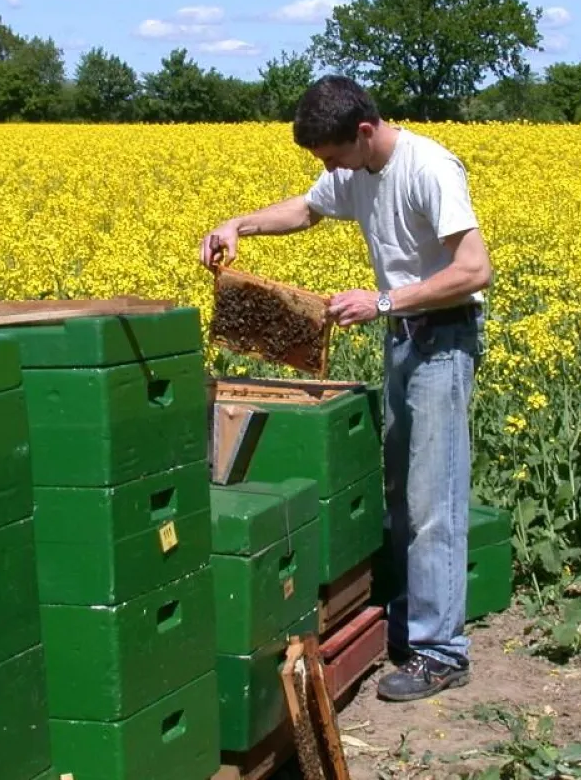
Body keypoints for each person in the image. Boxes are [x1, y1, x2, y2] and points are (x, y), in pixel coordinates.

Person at [198, 75, 492, 703]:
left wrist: (382, 300)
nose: (329, 169)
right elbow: (306, 209)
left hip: (443, 338)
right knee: (401, 493)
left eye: (332, 156)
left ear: (363, 131)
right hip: (405, 336)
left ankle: (442, 653)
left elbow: (474, 270)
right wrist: (239, 225)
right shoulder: (355, 171)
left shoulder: (429, 168)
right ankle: (410, 623)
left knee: (433, 498)